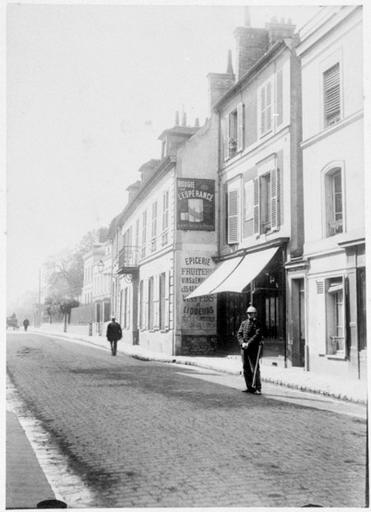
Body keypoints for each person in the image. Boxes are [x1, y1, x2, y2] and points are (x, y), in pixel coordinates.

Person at [237, 305, 263, 394]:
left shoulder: (258, 324)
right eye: (248, 313)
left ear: (255, 314)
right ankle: (249, 387)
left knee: (255, 368)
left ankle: (257, 388)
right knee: (246, 368)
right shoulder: (244, 323)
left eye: (251, 313)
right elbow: (239, 334)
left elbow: (257, 335)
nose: (249, 315)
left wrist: (248, 343)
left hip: (253, 349)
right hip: (244, 349)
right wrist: (242, 343)